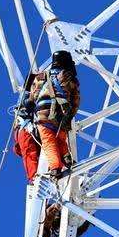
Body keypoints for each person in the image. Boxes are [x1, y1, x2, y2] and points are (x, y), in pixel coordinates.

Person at [29, 50, 80, 178]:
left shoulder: (41, 77)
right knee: (61, 138)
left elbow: (33, 97)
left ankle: (55, 168)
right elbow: (75, 101)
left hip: (43, 116)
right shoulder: (69, 77)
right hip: (61, 114)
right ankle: (67, 158)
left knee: (49, 142)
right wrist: (69, 117)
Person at [13, 73, 40, 182]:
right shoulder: (25, 96)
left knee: (34, 153)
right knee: (30, 154)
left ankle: (35, 177)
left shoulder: (27, 95)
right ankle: (34, 178)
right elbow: (27, 103)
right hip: (25, 130)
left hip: (28, 131)